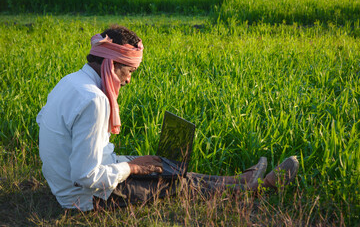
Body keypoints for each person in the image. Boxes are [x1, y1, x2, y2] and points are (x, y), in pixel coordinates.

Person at [37, 25, 299, 212]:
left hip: (68, 181)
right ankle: (256, 189)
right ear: (112, 63)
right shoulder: (94, 99)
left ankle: (240, 181)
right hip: (84, 197)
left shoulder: (71, 81)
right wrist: (131, 168)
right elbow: (87, 176)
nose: (128, 80)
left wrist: (130, 165)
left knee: (164, 166)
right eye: (129, 71)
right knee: (174, 184)